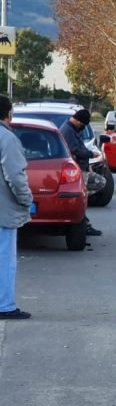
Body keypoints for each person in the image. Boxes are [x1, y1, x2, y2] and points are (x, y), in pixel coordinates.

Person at [0, 94, 34, 319]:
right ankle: (5, 305)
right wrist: (26, 199)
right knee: (5, 258)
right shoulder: (7, 138)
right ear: (8, 113)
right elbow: (14, 175)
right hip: (3, 210)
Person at [59, 108, 102, 237]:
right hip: (76, 170)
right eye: (82, 125)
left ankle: (83, 221)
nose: (83, 127)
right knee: (85, 195)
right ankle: (82, 223)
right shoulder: (68, 131)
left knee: (88, 193)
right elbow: (76, 150)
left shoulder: (72, 129)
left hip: (81, 167)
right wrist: (91, 154)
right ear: (78, 121)